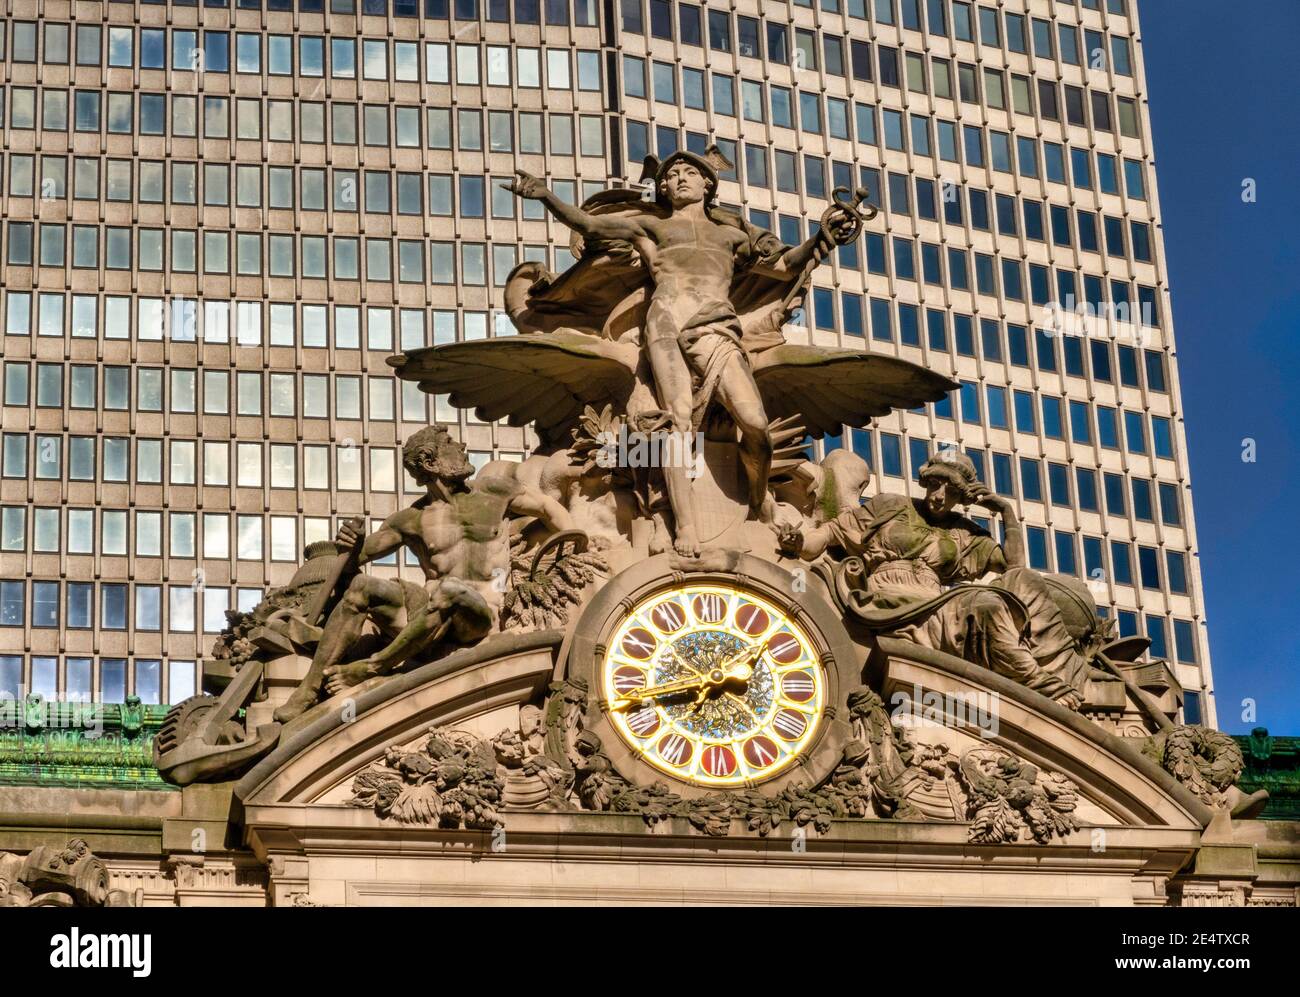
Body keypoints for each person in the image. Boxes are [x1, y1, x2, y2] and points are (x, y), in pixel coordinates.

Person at [505, 152, 859, 555]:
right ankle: (684, 526)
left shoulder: (733, 237)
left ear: (708, 184)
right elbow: (590, 224)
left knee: (755, 422)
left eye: (690, 172)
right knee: (676, 426)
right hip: (666, 324)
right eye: (671, 175)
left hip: (716, 328)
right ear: (663, 187)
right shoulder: (651, 227)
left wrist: (822, 236)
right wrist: (547, 196)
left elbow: (785, 266)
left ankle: (759, 496)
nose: (680, 179)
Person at [273, 426, 573, 722]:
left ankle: (371, 668)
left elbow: (549, 509)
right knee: (363, 587)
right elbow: (353, 566)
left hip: (478, 616)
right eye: (450, 444)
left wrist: (579, 540)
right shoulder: (411, 519)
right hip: (424, 614)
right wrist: (352, 546)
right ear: (431, 463)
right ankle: (308, 690)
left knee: (451, 590)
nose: (462, 446)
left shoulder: (493, 491)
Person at [779, 451, 1087, 709]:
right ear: (927, 482)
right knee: (990, 608)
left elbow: (1013, 567)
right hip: (888, 599)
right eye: (936, 486)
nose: (940, 496)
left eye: (950, 492)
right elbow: (828, 534)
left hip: (938, 602)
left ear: (961, 497)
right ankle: (1038, 683)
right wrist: (799, 542)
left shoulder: (964, 533)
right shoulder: (891, 506)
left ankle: (1046, 671)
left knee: (1007, 593)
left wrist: (1005, 512)